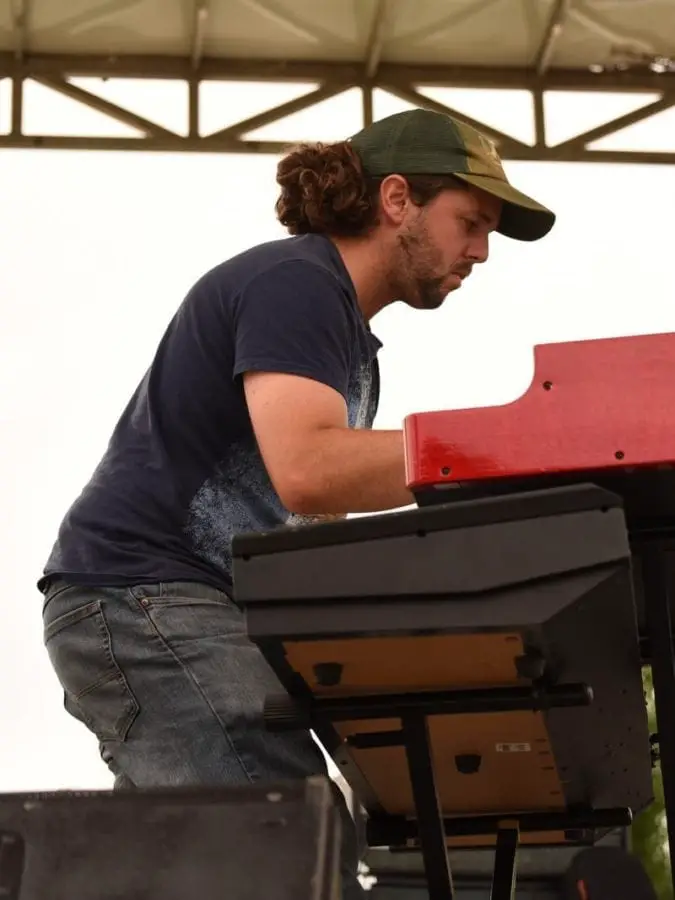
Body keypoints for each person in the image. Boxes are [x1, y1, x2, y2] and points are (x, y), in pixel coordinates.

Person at [38, 108, 555, 896]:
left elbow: (310, 544)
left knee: (185, 871)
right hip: (149, 598)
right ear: (396, 200)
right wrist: (505, 450)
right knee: (287, 847)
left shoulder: (345, 342)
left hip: (169, 606)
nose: (480, 251)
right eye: (470, 222)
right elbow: (311, 470)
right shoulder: (296, 283)